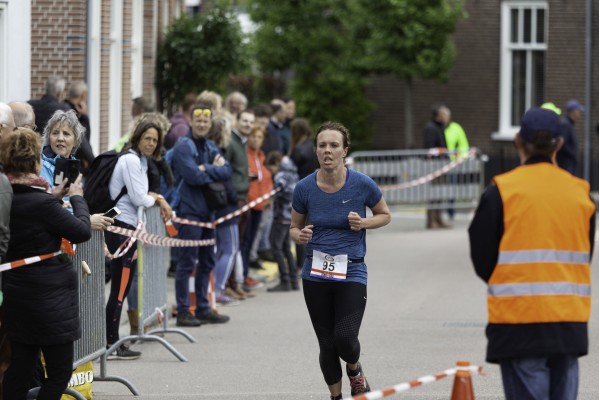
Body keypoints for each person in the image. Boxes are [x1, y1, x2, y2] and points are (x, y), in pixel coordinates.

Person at [468, 107, 596, 400]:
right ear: (559, 144)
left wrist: (509, 279)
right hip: (568, 322)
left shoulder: (501, 191)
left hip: (519, 321)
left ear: (518, 141)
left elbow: (482, 257)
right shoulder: (581, 193)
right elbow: (584, 253)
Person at [290, 121, 391, 399]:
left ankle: (355, 369)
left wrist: (364, 223)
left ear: (344, 150)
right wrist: (300, 236)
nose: (328, 150)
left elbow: (385, 215)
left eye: (334, 145)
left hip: (352, 270)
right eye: (322, 145)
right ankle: (336, 396)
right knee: (327, 345)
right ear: (316, 150)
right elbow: (293, 228)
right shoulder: (304, 188)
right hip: (315, 272)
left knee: (345, 339)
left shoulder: (361, 184)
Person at [0, 128, 91, 399]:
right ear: (36, 163)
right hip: (50, 302)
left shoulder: (7, 198)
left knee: (20, 368)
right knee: (60, 373)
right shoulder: (42, 204)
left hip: (17, 294)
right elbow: (81, 231)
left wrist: (54, 197)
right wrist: (77, 198)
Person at [105, 116, 172, 359]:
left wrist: (151, 197)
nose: (151, 143)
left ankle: (112, 340)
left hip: (128, 226)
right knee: (120, 288)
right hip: (121, 227)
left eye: (155, 140)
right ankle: (112, 343)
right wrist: (157, 198)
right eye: (147, 138)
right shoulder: (131, 160)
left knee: (121, 288)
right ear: (137, 138)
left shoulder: (141, 160)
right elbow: (139, 198)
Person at [171, 103, 231, 326]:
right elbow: (192, 176)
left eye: (206, 121)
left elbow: (227, 171)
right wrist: (211, 170)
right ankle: (184, 311)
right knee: (186, 263)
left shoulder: (210, 145)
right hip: (189, 212)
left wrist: (206, 169)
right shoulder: (183, 147)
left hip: (208, 213)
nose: (202, 124)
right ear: (191, 121)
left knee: (207, 262)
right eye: (199, 121)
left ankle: (203, 308)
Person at [207, 115, 240, 306]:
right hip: (225, 207)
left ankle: (213, 289)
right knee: (230, 249)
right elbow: (226, 180)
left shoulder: (209, 151)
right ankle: (218, 290)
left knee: (220, 250)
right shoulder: (217, 153)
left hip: (217, 206)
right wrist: (234, 198)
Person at [240, 125, 271, 291]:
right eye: (253, 136)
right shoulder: (245, 155)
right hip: (249, 204)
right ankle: (242, 275)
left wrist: (267, 197)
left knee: (250, 242)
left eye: (259, 137)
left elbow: (266, 179)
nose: (256, 140)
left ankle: (245, 274)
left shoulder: (261, 156)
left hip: (260, 205)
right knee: (244, 242)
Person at [289, 118, 319, 272]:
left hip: (300, 189)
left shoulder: (298, 150)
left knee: (299, 228)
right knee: (311, 226)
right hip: (316, 188)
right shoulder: (313, 148)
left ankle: (301, 264)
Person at [266, 152, 299, 292]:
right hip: (291, 215)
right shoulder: (293, 172)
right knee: (287, 248)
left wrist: (269, 198)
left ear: (276, 162)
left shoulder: (281, 175)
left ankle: (284, 279)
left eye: (271, 169)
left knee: (276, 247)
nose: (271, 172)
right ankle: (294, 280)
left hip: (281, 216)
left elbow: (278, 188)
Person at [423, 103, 450, 229]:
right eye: (446, 115)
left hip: (442, 165)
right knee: (433, 194)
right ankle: (431, 221)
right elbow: (429, 148)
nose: (448, 118)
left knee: (440, 193)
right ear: (439, 115)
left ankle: (439, 219)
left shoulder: (441, 127)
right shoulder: (431, 128)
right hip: (435, 166)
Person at [443, 108, 469, 220]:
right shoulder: (439, 128)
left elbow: (463, 144)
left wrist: (461, 157)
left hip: (452, 163)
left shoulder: (456, 128)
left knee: (451, 186)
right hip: (440, 163)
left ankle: (450, 209)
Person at [63, 80, 95, 173]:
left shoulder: (63, 107)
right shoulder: (72, 113)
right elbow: (84, 140)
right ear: (82, 96)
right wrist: (84, 116)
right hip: (73, 164)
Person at [557, 99, 585, 175]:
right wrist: (572, 153)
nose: (580, 114)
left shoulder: (569, 124)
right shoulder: (565, 125)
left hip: (568, 164)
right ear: (573, 112)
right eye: (579, 111)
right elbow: (562, 144)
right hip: (565, 165)